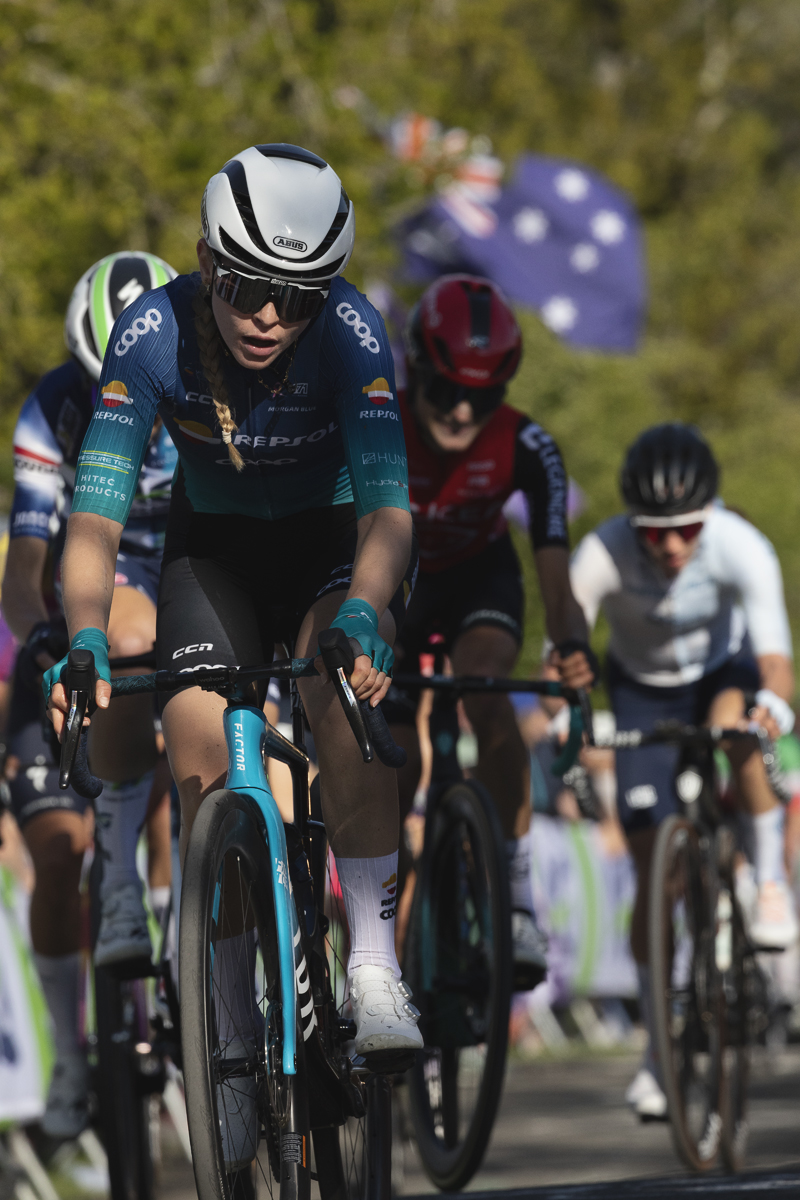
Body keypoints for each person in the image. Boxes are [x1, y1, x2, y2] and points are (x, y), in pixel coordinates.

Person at [44, 144, 424, 1164]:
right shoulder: (150, 333)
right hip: (212, 554)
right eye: (250, 289)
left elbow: (389, 509)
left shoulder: (349, 335)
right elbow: (94, 517)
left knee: (339, 700)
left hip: (335, 544)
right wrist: (85, 629)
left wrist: (368, 614)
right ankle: (228, 1032)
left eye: (296, 299)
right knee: (198, 746)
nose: (270, 318)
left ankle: (374, 968)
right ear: (209, 262)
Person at [570, 421, 798, 1119]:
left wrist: (770, 710)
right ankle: (656, 1053)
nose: (671, 546)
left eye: (687, 530)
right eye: (654, 531)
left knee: (736, 728)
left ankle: (766, 882)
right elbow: (569, 642)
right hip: (640, 686)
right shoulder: (603, 550)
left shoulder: (740, 545)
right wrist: (567, 713)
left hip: (720, 675)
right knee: (654, 876)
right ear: (631, 524)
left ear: (710, 516)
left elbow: (775, 660)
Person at [2, 250, 179, 1139]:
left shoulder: (211, 393)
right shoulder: (49, 410)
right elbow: (26, 567)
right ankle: (71, 1060)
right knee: (58, 850)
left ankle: (196, 969)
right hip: (79, 610)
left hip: (173, 599)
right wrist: (60, 642)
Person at [385, 274, 596, 988]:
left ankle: (514, 892)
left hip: (481, 579)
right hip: (398, 586)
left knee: (485, 689)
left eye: (485, 394)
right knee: (394, 759)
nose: (463, 409)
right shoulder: (377, 419)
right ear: (415, 368)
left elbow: (556, 575)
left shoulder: (529, 446)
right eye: (446, 389)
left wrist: (569, 647)